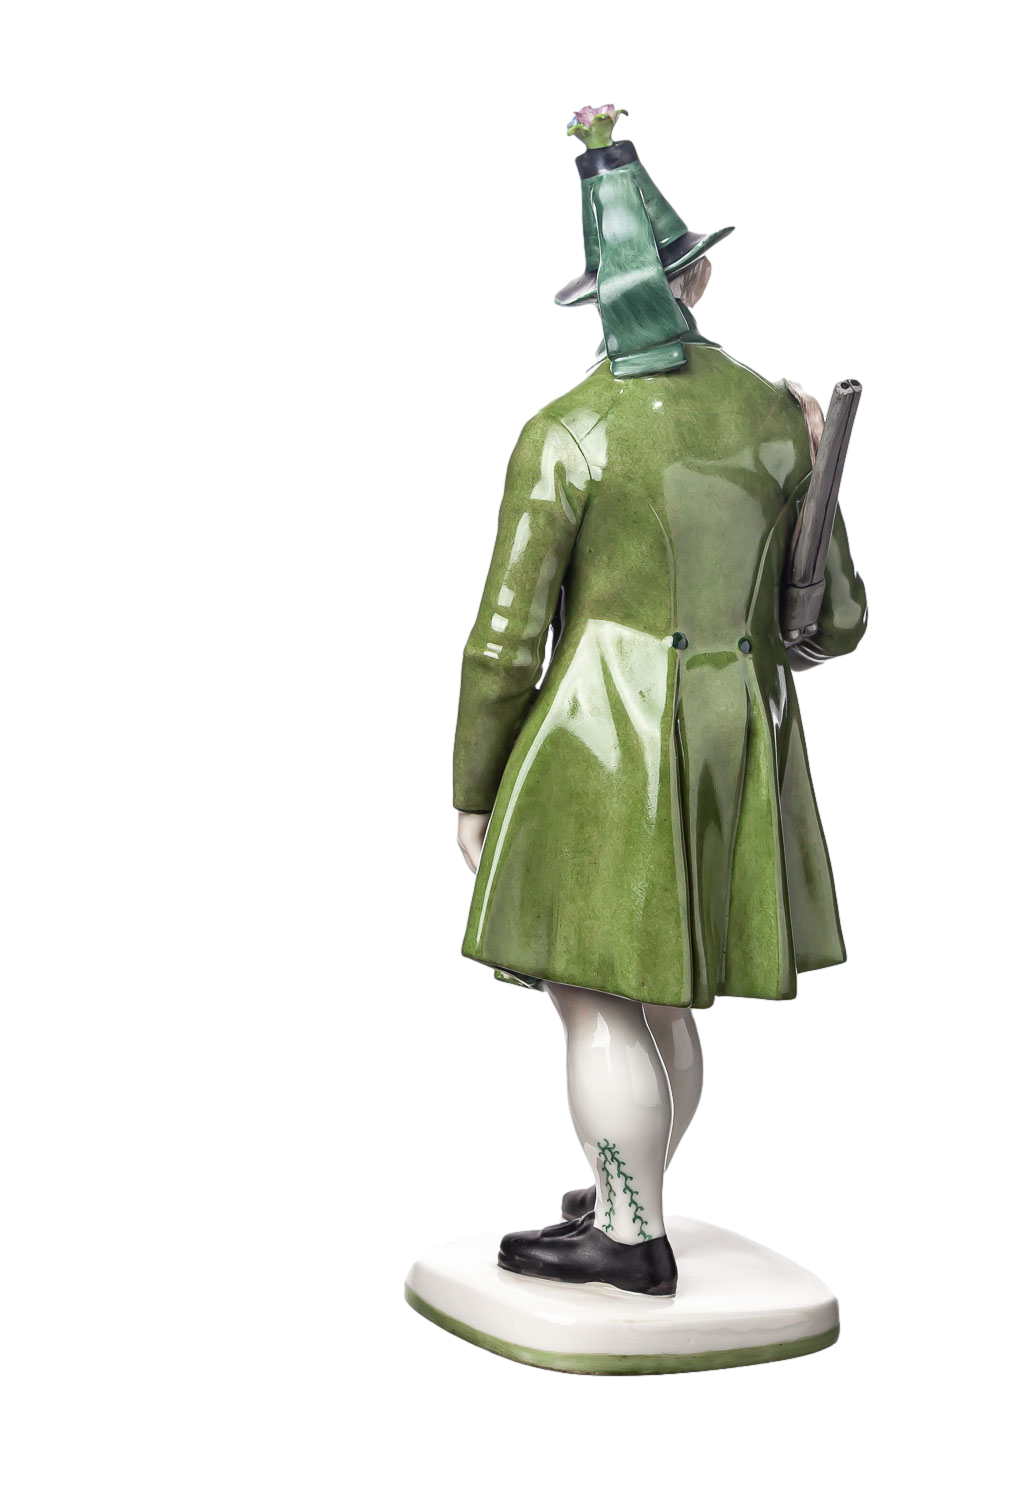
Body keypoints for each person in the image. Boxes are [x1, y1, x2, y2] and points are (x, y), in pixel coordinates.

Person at [450, 108, 868, 1297]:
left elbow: (503, 642)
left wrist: (473, 790)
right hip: (741, 731)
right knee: (664, 994)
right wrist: (810, 471)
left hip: (602, 741)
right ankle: (633, 1189)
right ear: (699, 276)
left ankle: (630, 1236)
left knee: (593, 997)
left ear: (594, 299)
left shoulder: (567, 429)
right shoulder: (779, 417)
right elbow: (834, 622)